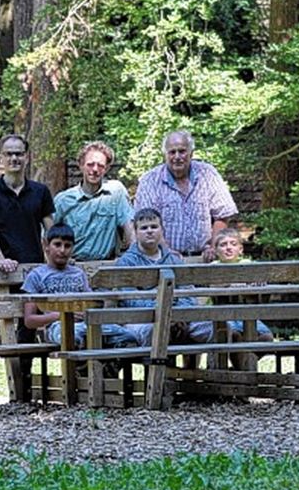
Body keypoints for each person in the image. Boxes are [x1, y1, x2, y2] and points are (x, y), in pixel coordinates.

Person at [0, 134, 54, 411]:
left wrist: (51, 263)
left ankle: (22, 393)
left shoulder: (40, 192)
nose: (14, 158)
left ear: (26, 157)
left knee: (27, 333)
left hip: (32, 273)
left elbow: (50, 231)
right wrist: (0, 260)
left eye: (19, 153)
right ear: (1, 159)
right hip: (1, 274)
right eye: (9, 154)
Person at [22, 224, 139, 349]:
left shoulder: (78, 273)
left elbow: (91, 303)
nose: (62, 250)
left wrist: (89, 309)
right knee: (74, 338)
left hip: (86, 323)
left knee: (127, 337)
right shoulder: (36, 276)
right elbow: (29, 321)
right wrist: (61, 315)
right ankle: (82, 367)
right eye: (57, 244)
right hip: (57, 326)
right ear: (46, 246)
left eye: (67, 246)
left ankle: (106, 367)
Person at [115, 207, 214, 346]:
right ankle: (157, 367)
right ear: (136, 233)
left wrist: (178, 314)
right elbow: (129, 299)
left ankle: (215, 366)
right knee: (153, 332)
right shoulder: (126, 262)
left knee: (214, 328)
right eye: (144, 228)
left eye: (154, 227)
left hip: (179, 316)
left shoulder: (173, 260)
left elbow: (188, 293)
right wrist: (163, 309)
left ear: (161, 230)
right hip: (142, 320)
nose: (149, 231)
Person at [134, 129, 237, 261]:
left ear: (191, 153)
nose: (177, 157)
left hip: (204, 258)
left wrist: (213, 247)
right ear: (165, 155)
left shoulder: (208, 174)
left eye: (182, 151)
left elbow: (223, 214)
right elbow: (144, 222)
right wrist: (166, 251)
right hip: (163, 259)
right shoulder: (150, 180)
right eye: (172, 152)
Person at [52, 141, 134, 261]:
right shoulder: (63, 200)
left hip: (106, 266)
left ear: (106, 168)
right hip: (71, 266)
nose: (95, 169)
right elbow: (47, 237)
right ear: (81, 165)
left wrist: (133, 258)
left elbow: (130, 229)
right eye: (90, 164)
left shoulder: (116, 193)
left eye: (100, 165)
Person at [211, 227, 274, 343]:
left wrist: (257, 282)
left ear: (240, 249)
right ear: (215, 250)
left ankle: (245, 361)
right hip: (222, 315)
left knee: (266, 337)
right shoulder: (213, 267)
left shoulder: (248, 264)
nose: (228, 248)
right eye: (223, 245)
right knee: (234, 335)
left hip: (247, 314)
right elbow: (214, 285)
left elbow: (260, 282)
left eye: (233, 244)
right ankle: (242, 361)